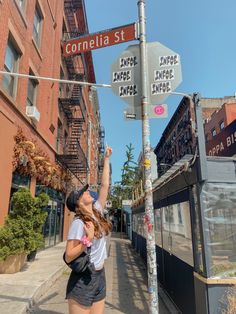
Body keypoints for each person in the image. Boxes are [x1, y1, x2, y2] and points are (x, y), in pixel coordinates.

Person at [65, 146, 112, 314]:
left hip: (100, 276)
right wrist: (88, 240)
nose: (88, 192)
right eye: (84, 193)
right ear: (78, 202)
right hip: (84, 278)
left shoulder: (97, 211)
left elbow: (105, 186)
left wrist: (106, 159)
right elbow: (69, 255)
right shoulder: (79, 223)